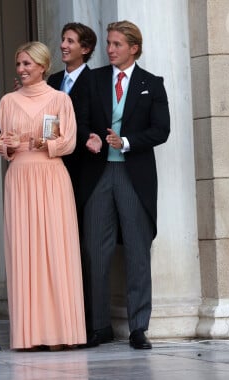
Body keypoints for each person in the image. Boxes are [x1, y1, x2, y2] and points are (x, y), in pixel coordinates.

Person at [76, 20, 170, 350]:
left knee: (137, 252)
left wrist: (125, 141)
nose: (110, 49)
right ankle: (98, 326)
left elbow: (161, 130)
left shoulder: (152, 84)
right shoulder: (95, 79)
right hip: (99, 176)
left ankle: (138, 328)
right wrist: (91, 138)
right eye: (109, 43)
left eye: (117, 44)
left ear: (134, 48)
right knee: (95, 252)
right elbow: (82, 118)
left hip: (133, 177)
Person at [0, 41, 86, 351]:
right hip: (19, 178)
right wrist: (7, 144)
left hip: (51, 177)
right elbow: (3, 145)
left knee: (55, 250)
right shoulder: (7, 101)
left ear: (43, 66)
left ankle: (61, 333)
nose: (21, 69)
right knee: (24, 250)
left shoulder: (60, 99)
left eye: (27, 64)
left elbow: (69, 141)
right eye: (18, 64)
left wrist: (47, 144)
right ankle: (29, 335)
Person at [47, 22, 97, 334]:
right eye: (63, 40)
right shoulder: (51, 81)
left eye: (70, 41)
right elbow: (48, 126)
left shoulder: (95, 81)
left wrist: (86, 139)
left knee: (83, 245)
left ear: (86, 49)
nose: (63, 45)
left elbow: (94, 124)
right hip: (52, 170)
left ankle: (86, 321)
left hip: (84, 174)